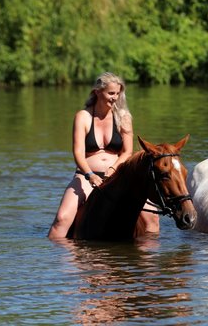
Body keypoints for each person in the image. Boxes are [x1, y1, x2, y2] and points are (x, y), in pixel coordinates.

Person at [48, 72, 158, 239]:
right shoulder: (83, 117)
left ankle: (146, 259)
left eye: (118, 93)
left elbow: (127, 151)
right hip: (86, 176)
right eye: (111, 93)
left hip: (119, 175)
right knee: (61, 219)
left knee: (152, 218)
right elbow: (78, 152)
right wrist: (90, 175)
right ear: (97, 92)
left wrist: (114, 168)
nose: (115, 98)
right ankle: (64, 261)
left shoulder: (124, 118)